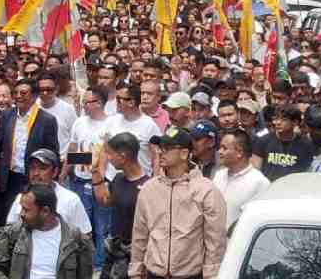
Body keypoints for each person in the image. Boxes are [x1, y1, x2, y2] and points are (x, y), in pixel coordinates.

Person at [132, 128, 227, 279]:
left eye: (167, 149)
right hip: (154, 273)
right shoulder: (149, 189)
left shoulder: (206, 190)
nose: (161, 152)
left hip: (190, 274)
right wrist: (136, 270)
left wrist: (212, 274)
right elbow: (140, 234)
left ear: (184, 153)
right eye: (160, 148)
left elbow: (215, 240)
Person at [0, 79, 59, 232]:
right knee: (4, 220)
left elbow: (52, 154)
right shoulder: (7, 116)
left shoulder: (47, 120)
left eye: (23, 93)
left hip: (32, 178)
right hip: (9, 177)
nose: (18, 96)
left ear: (34, 96)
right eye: (15, 93)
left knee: (29, 218)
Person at [0, 184, 94, 279]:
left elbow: (85, 275)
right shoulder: (13, 233)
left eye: (26, 210)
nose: (21, 214)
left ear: (45, 211)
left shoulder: (76, 239)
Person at [90, 132, 149, 279]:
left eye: (110, 154)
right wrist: (95, 171)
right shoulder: (118, 178)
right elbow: (104, 201)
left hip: (135, 257)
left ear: (122, 157)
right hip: (114, 252)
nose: (108, 159)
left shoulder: (148, 186)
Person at [66, 85, 110, 268]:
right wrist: (63, 172)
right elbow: (73, 149)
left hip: (102, 182)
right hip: (78, 180)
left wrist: (93, 162)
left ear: (99, 103)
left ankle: (100, 264)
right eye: (83, 102)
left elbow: (109, 155)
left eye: (88, 102)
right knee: (80, 226)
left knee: (102, 227)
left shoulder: (111, 124)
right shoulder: (79, 122)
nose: (84, 105)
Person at [212, 129, 270, 228]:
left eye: (224, 148)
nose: (219, 152)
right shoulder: (218, 176)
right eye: (220, 147)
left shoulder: (260, 183)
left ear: (239, 152)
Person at [103, 82, 162, 178]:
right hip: (112, 180)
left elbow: (156, 157)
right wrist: (102, 177)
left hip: (139, 181)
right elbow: (104, 151)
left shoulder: (149, 125)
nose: (115, 102)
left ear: (131, 102)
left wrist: (154, 181)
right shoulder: (111, 121)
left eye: (119, 99)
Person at [251, 104, 315, 182]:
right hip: (268, 188)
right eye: (276, 119)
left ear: (295, 122)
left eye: (283, 119)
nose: (277, 123)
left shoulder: (305, 144)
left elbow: (306, 174)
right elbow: (255, 172)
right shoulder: (262, 141)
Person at [37, 71, 77, 156]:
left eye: (49, 90)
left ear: (56, 89)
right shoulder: (32, 107)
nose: (45, 93)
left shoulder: (68, 109)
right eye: (41, 90)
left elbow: (75, 138)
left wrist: (69, 163)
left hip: (62, 160)